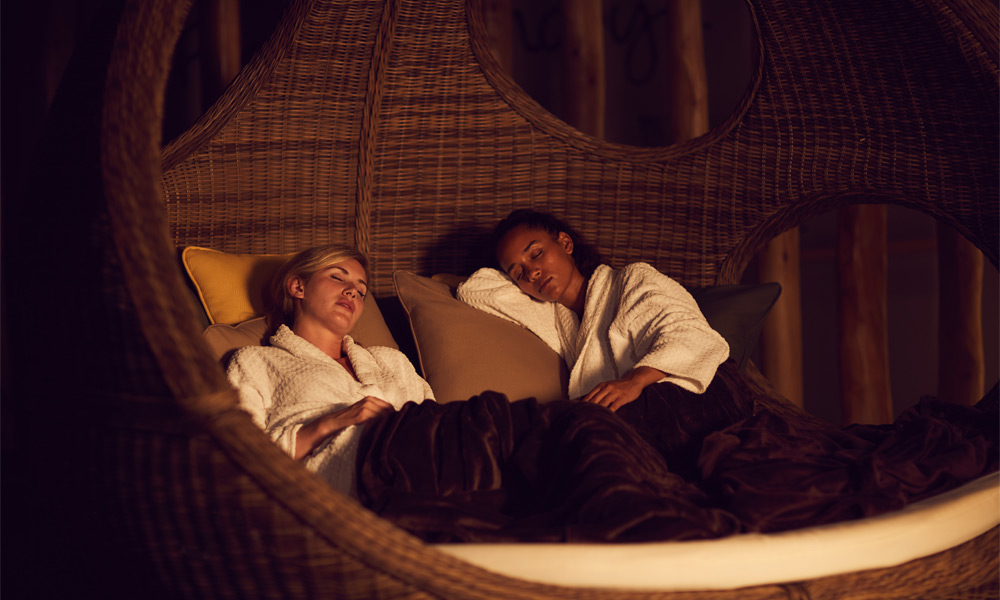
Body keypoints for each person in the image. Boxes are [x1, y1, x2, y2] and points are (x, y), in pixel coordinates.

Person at [457, 208, 730, 412]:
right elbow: (476, 289)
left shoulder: (631, 280)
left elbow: (691, 336)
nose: (532, 272)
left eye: (536, 254)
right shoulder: (553, 318)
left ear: (565, 244)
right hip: (620, 416)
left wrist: (633, 382)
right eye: (517, 272)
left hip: (686, 397)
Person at [226, 244, 433, 496]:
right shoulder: (255, 362)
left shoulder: (391, 362)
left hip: (418, 467)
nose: (352, 292)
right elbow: (237, 459)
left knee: (488, 413)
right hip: (338, 485)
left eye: (361, 291)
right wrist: (331, 423)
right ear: (298, 287)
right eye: (337, 277)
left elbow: (436, 425)